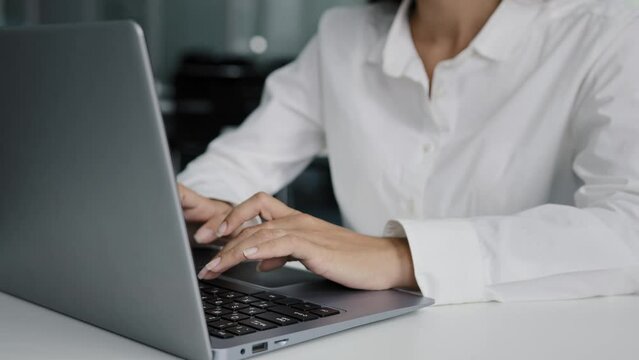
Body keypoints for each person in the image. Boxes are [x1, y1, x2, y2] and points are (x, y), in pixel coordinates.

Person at [177, 0, 639, 304]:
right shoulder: (345, 34)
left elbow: (629, 226)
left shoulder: (610, 29)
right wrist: (217, 211)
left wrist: (401, 256)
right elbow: (238, 163)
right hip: (370, 334)